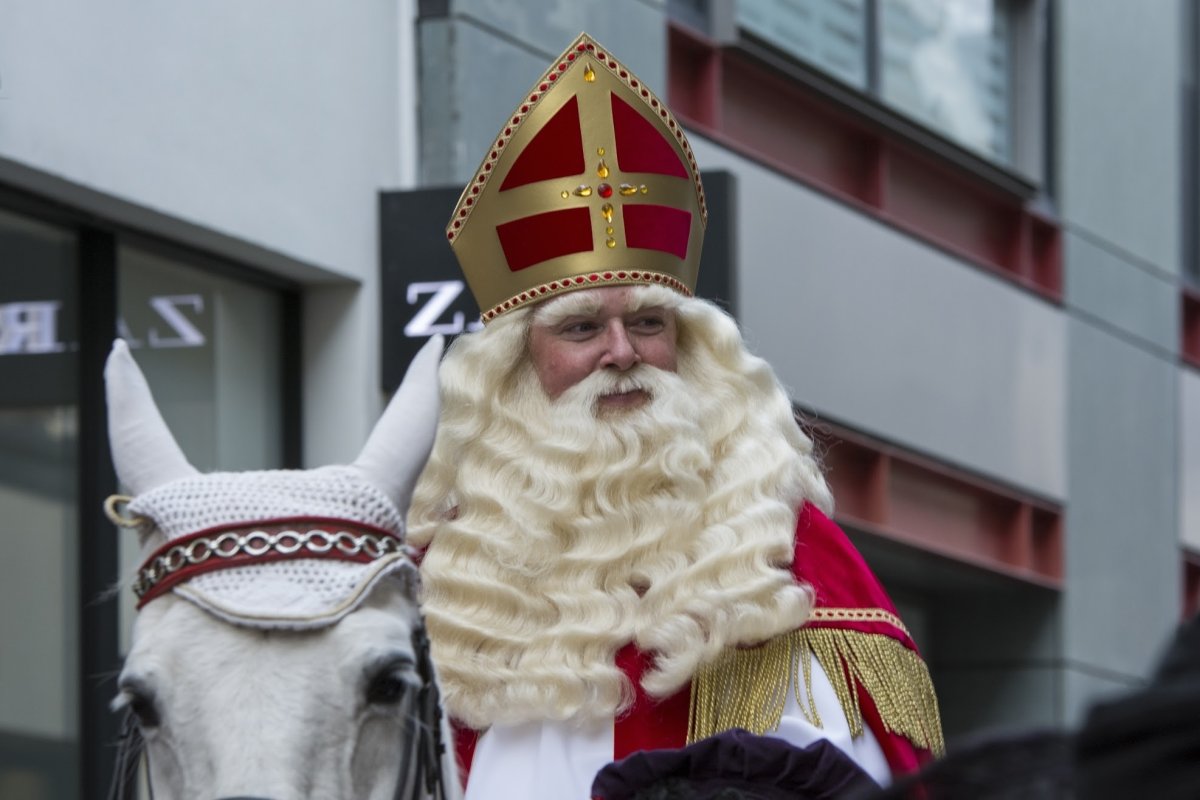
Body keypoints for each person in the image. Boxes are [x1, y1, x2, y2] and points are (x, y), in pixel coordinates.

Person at [407, 32, 942, 800]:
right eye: (582, 328)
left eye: (649, 323)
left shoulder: (774, 542)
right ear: (517, 365)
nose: (622, 352)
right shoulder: (457, 565)